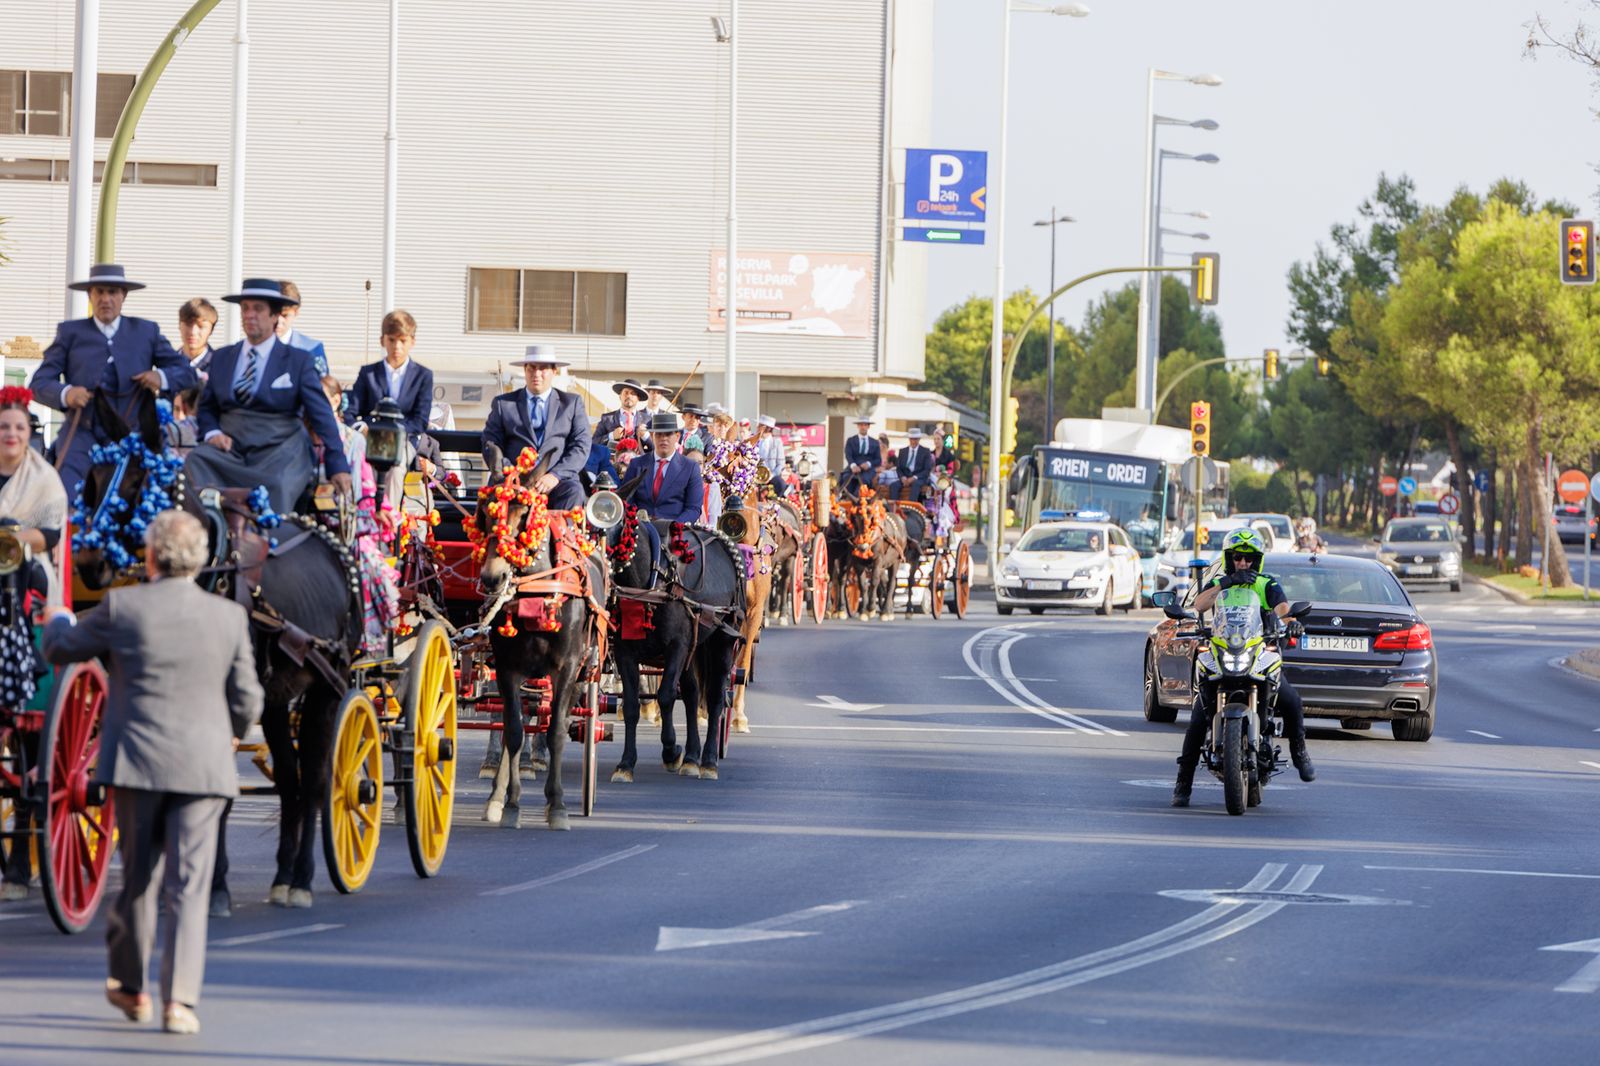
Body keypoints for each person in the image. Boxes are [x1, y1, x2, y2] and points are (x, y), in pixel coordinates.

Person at [41, 510, 262, 1036]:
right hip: (204, 768)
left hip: (136, 766)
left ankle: (130, 985)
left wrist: (56, 614)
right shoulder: (228, 619)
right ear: (203, 560)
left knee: (138, 878)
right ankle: (179, 1002)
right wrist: (222, 730)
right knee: (188, 885)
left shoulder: (123, 606)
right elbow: (248, 701)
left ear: (149, 555)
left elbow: (59, 648)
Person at [1172, 527, 1316, 808]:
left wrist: (1291, 624)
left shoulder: (1266, 584)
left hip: (1257, 653)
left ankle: (1300, 753)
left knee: (1291, 700)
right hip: (1222, 652)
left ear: (1257, 560)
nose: (1243, 564)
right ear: (1229, 558)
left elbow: (1283, 609)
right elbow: (1199, 605)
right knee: (1198, 720)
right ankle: (1182, 783)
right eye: (1238, 558)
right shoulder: (1219, 582)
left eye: (1248, 559)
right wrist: (1227, 582)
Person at [184, 278, 352, 515]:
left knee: (277, 485)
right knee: (194, 463)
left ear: (275, 316)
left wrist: (338, 465)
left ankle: (272, 546)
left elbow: (321, 415)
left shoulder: (298, 361)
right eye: (245, 308)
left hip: (280, 451)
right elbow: (208, 407)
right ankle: (210, 540)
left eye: (258, 308)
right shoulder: (223, 358)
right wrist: (213, 433)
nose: (250, 315)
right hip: (230, 450)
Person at [31, 263, 195, 495]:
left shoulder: (146, 331)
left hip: (134, 437)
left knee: (148, 497)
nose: (105, 299)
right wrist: (66, 393)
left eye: (112, 292)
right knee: (65, 495)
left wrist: (161, 376)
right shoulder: (70, 333)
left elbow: (187, 373)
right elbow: (38, 383)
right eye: (99, 292)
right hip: (82, 435)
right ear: (90, 295)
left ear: (123, 296)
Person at [480, 344, 590, 510]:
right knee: (495, 500)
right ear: (525, 370)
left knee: (574, 491)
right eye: (531, 368)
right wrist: (510, 474)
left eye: (543, 369)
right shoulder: (504, 404)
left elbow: (581, 445)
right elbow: (491, 443)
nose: (536, 374)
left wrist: (555, 475)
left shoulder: (572, 403)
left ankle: (563, 536)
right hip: (512, 480)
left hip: (556, 482)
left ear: (554, 371)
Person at [0, 386, 67, 606]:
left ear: (28, 432)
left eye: (19, 427)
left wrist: (10, 543)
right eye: (4, 427)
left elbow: (51, 535)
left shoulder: (44, 478)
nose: (12, 434)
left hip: (27, 574)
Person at [346, 310, 434, 449]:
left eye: (403, 341)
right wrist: (363, 429)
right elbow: (349, 412)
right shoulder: (368, 373)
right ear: (383, 340)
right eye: (392, 340)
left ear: (412, 342)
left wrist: (392, 433)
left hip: (404, 444)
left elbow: (420, 421)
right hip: (368, 441)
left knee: (396, 469)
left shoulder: (423, 376)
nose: (397, 346)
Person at [625, 412, 704, 523]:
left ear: (677, 436)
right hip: (640, 530)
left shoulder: (690, 468)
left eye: (668, 434)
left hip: (674, 532)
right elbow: (627, 501)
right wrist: (636, 521)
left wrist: (673, 526)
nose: (664, 439)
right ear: (652, 436)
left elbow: (693, 508)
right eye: (659, 434)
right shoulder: (636, 465)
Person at [273, 280, 327, 375]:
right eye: (274, 314)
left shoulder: (311, 348)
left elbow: (323, 386)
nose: (279, 322)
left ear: (296, 312)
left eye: (285, 315)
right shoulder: (252, 348)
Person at [175, 298, 218, 383]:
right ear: (179, 325)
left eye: (201, 326)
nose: (193, 332)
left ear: (211, 330)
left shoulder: (219, 365)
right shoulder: (168, 364)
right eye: (188, 324)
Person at [594, 378, 649, 443]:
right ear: (620, 396)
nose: (629, 396)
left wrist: (645, 436)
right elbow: (594, 441)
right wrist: (611, 436)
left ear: (638, 398)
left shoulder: (647, 419)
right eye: (626, 392)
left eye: (633, 393)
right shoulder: (607, 418)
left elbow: (654, 446)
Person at [841, 415, 880, 493]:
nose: (863, 427)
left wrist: (868, 464)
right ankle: (846, 499)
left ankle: (859, 499)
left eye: (865, 425)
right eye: (861, 425)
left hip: (867, 470)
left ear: (868, 426)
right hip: (853, 468)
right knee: (846, 478)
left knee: (863, 480)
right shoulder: (851, 440)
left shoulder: (875, 442)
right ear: (858, 426)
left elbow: (878, 460)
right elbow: (848, 455)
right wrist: (853, 466)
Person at [896, 427, 933, 498]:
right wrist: (902, 477)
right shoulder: (902, 451)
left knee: (915, 485)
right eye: (911, 439)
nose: (913, 441)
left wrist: (914, 478)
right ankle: (893, 507)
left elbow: (927, 469)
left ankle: (911, 507)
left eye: (915, 439)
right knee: (894, 485)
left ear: (919, 439)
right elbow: (898, 468)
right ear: (909, 439)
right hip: (905, 478)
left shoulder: (925, 451)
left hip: (919, 478)